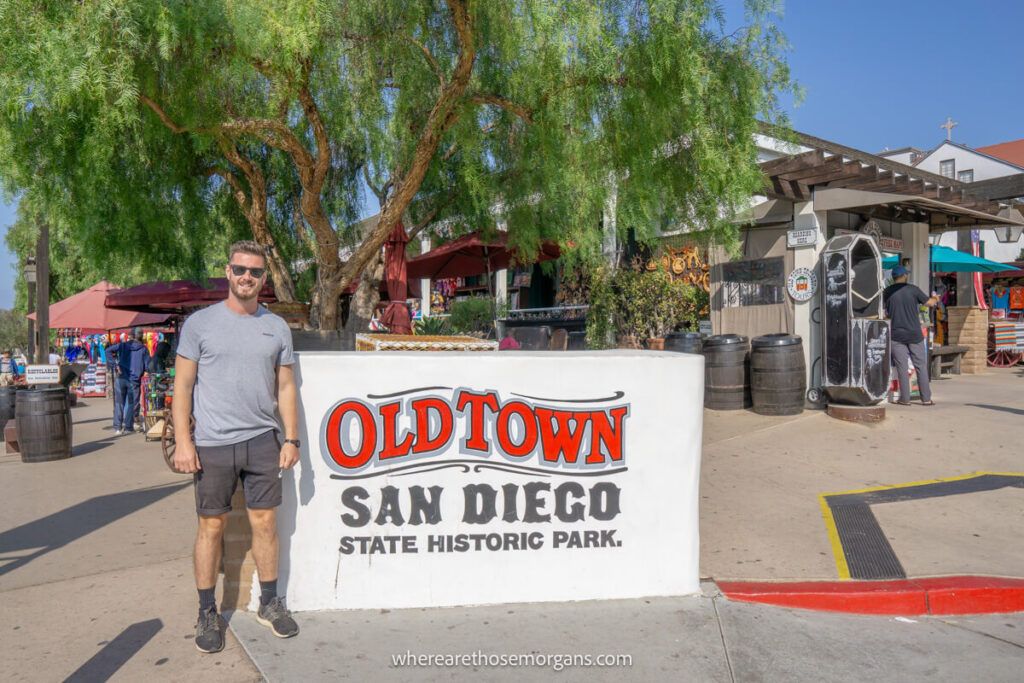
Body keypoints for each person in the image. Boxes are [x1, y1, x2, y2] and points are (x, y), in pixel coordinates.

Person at [172, 240, 300, 654]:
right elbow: (182, 388)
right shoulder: (199, 325)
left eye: (255, 272)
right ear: (227, 272)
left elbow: (285, 386)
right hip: (211, 443)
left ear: (264, 278)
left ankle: (269, 602)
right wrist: (184, 442)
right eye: (240, 269)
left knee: (265, 523)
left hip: (263, 440)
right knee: (211, 526)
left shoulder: (277, 327)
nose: (247, 277)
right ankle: (207, 611)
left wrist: (292, 437)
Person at [883, 265, 939, 406]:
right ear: (904, 276)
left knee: (902, 367)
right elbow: (930, 303)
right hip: (914, 334)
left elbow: (883, 312)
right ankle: (926, 399)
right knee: (920, 366)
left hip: (896, 335)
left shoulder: (887, 292)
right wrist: (936, 298)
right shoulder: (913, 289)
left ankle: (904, 399)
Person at [107, 329, 151, 435]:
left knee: (119, 403)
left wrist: (115, 365)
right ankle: (128, 427)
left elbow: (107, 350)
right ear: (140, 337)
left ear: (131, 336)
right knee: (132, 404)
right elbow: (148, 366)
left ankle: (117, 428)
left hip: (121, 378)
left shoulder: (122, 345)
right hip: (134, 380)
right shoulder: (143, 349)